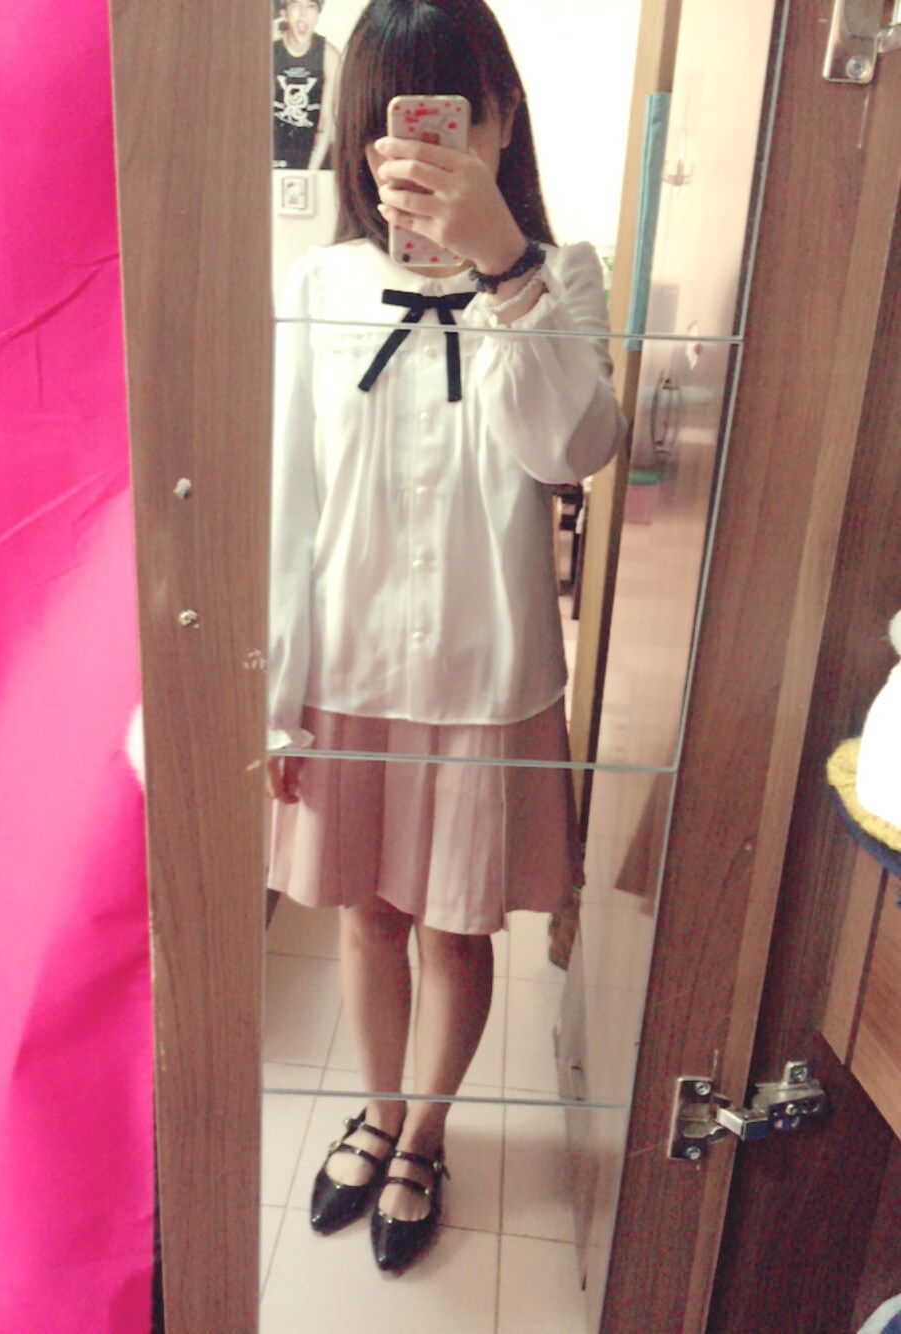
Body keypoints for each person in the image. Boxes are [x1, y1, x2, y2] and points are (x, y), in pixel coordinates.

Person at [267, 0, 627, 1273]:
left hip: (486, 672)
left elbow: (570, 449)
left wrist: (504, 272)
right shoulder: (318, 285)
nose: (421, 148)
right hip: (350, 665)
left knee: (454, 926)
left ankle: (422, 1134)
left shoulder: (562, 274)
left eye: (450, 116)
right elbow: (287, 497)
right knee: (367, 917)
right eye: (393, 123)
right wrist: (276, 691)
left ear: (500, 121)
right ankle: (376, 1111)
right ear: (359, 137)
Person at [273, 0, 341, 170]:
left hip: (313, 154)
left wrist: (310, 173)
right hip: (273, 152)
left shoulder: (330, 57)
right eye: (295, 5)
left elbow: (325, 124)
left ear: (318, 15)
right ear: (284, 13)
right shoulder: (269, 52)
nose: (303, 13)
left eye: (310, 6)